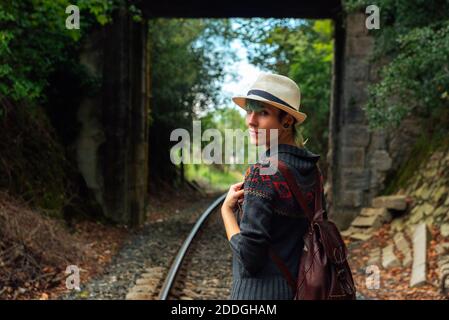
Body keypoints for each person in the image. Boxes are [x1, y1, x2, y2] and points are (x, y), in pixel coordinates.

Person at [221, 72, 327, 299]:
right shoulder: (312, 170)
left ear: (287, 120)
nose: (251, 120)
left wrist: (227, 213)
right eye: (249, 110)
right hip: (301, 290)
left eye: (263, 113)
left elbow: (250, 257)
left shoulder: (264, 172)